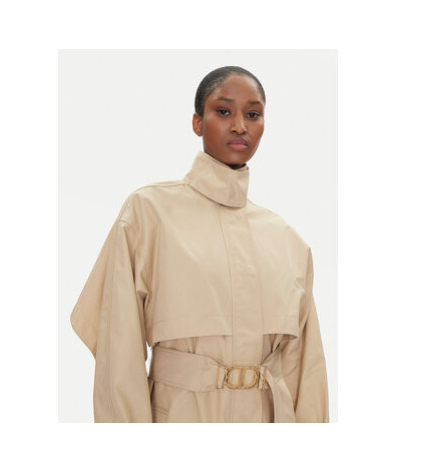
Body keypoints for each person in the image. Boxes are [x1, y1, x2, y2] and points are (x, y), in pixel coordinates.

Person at [70, 65, 330, 423]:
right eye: (223, 111)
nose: (239, 125)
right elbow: (118, 349)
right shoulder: (149, 212)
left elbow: (306, 370)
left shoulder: (287, 241)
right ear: (197, 122)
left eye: (252, 115)